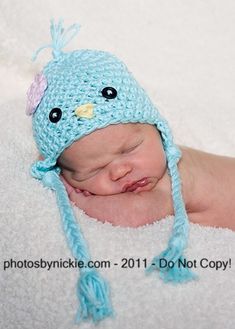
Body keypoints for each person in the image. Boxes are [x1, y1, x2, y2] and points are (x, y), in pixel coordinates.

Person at [26, 19, 235, 324]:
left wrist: (81, 197)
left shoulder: (169, 179)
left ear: (157, 130)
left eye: (130, 148)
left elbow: (134, 215)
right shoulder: (148, 161)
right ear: (63, 172)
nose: (121, 170)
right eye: (94, 170)